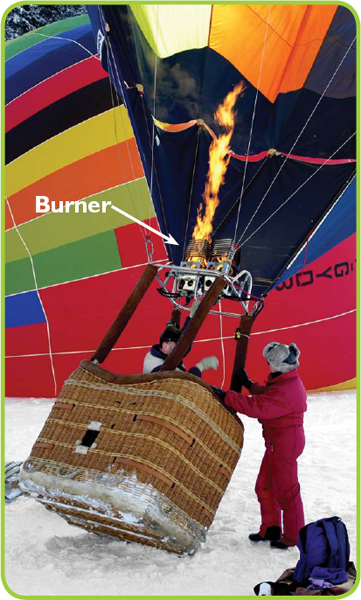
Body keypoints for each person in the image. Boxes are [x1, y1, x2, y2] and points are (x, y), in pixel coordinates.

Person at [223, 342, 307, 549]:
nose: (267, 365)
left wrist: (227, 396)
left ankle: (292, 537)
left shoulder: (288, 389)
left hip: (286, 444)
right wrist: (249, 385)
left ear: (278, 365)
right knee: (265, 485)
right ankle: (271, 529)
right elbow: (268, 395)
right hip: (276, 442)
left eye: (269, 362)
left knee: (287, 492)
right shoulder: (284, 380)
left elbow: (259, 406)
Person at [143, 301, 219, 377]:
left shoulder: (163, 352)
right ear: (165, 346)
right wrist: (201, 366)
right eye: (177, 346)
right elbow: (188, 382)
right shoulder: (158, 368)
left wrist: (192, 317)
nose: (180, 349)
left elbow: (184, 342)